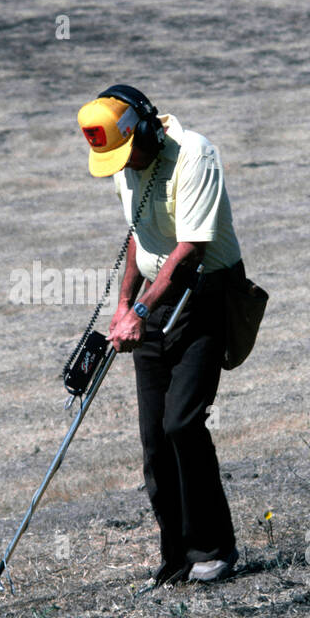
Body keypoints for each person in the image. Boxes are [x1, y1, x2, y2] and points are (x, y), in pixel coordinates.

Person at [76, 84, 245, 586]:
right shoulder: (123, 161)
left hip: (206, 292)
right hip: (153, 298)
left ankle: (214, 549)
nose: (126, 167)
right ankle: (176, 556)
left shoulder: (195, 153)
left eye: (131, 154)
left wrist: (140, 310)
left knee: (182, 424)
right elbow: (139, 237)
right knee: (154, 440)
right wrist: (124, 304)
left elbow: (191, 246)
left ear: (147, 125)